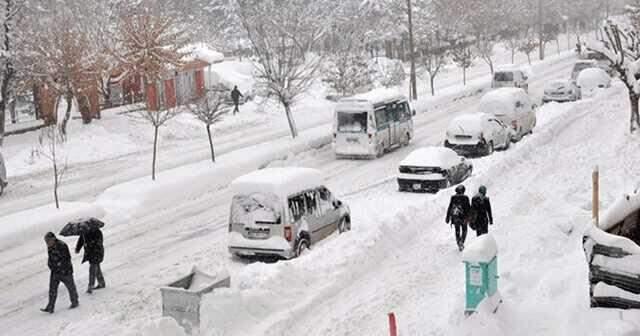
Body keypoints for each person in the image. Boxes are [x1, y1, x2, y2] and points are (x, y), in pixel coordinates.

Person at [41, 232, 78, 313]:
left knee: (71, 287)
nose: (47, 243)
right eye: (46, 241)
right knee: (52, 290)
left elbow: (66, 258)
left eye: (48, 241)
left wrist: (60, 265)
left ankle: (75, 302)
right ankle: (50, 307)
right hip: (55, 271)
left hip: (65, 271)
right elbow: (50, 258)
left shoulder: (62, 245)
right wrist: (50, 265)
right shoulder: (50, 247)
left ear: (53, 239)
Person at [75, 227, 105, 294]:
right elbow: (81, 240)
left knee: (92, 269)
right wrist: (78, 248)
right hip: (90, 253)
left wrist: (90, 244)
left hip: (97, 252)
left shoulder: (97, 231)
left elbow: (99, 242)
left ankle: (90, 286)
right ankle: (101, 283)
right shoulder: (84, 233)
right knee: (96, 268)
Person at [446, 185, 471, 251]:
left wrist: (447, 217)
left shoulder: (453, 197)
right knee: (464, 230)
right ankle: (462, 242)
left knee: (457, 230)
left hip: (456, 217)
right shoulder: (466, 198)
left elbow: (450, 207)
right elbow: (468, 209)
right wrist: (470, 217)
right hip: (464, 217)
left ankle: (459, 242)